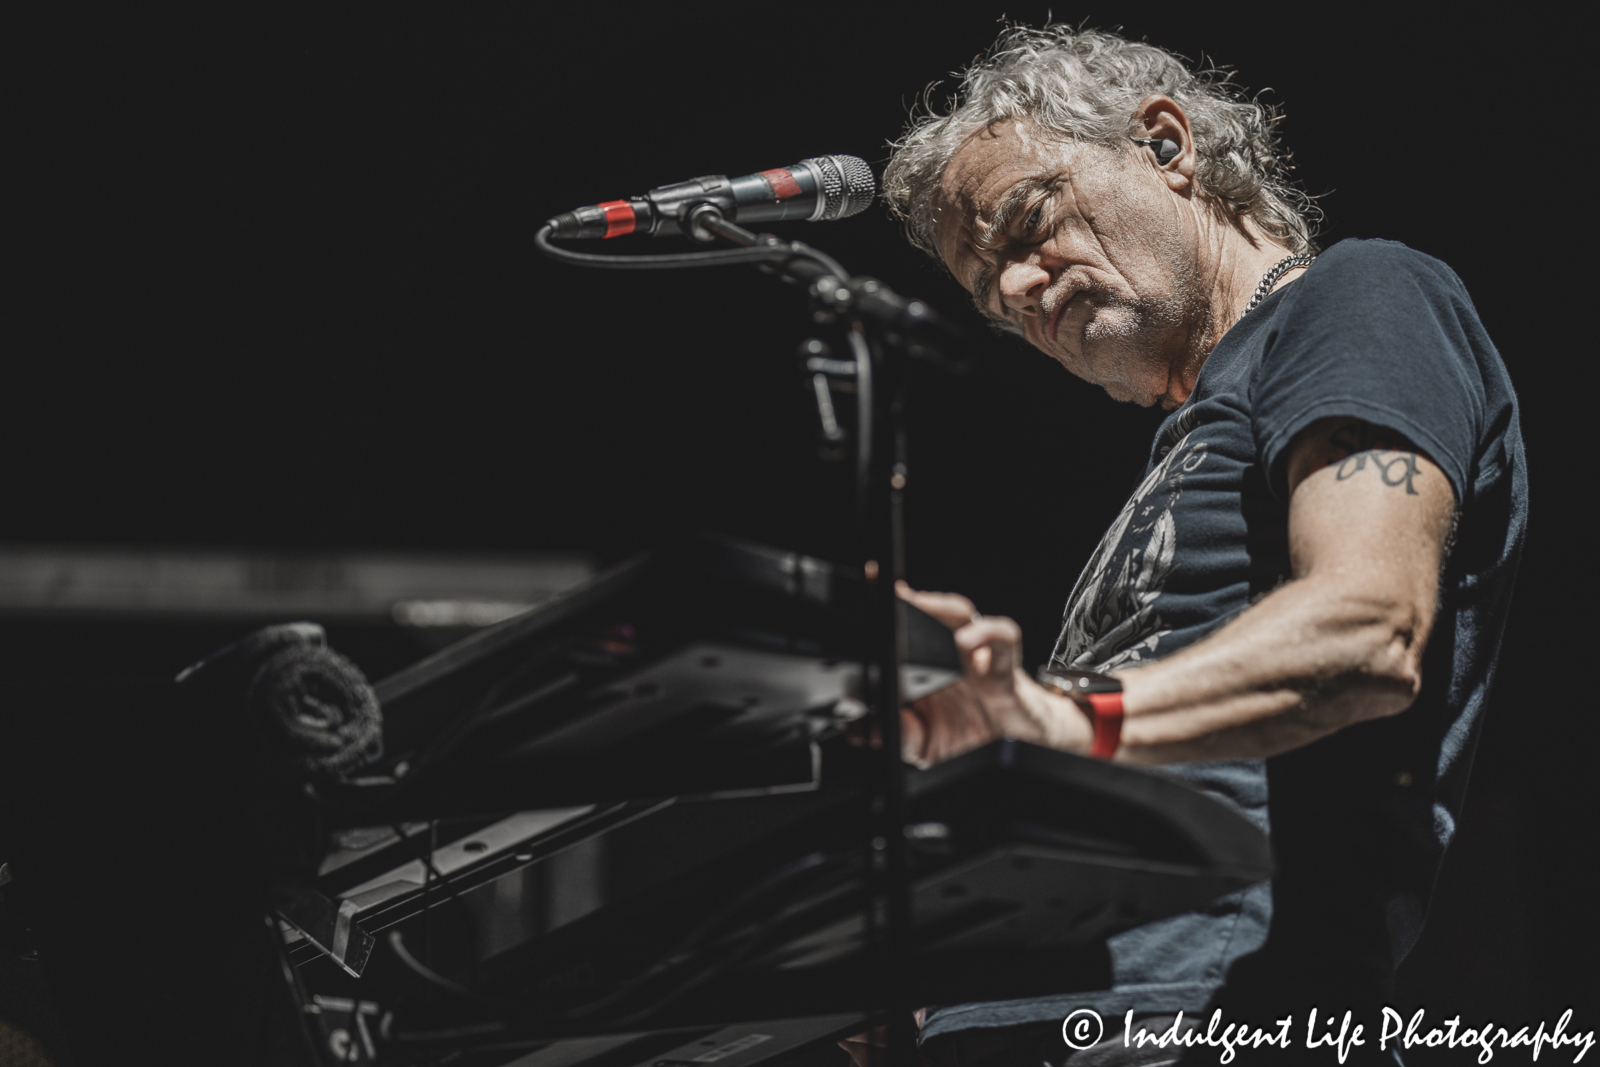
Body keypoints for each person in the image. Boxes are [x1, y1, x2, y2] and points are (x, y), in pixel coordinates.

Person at [848, 23, 1526, 1067]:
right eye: (989, 292)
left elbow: (1366, 626)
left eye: (1030, 223)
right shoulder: (1183, 450)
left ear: (1166, 146)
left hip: (1201, 1013)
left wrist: (1064, 716)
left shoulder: (1359, 298)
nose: (1021, 291)